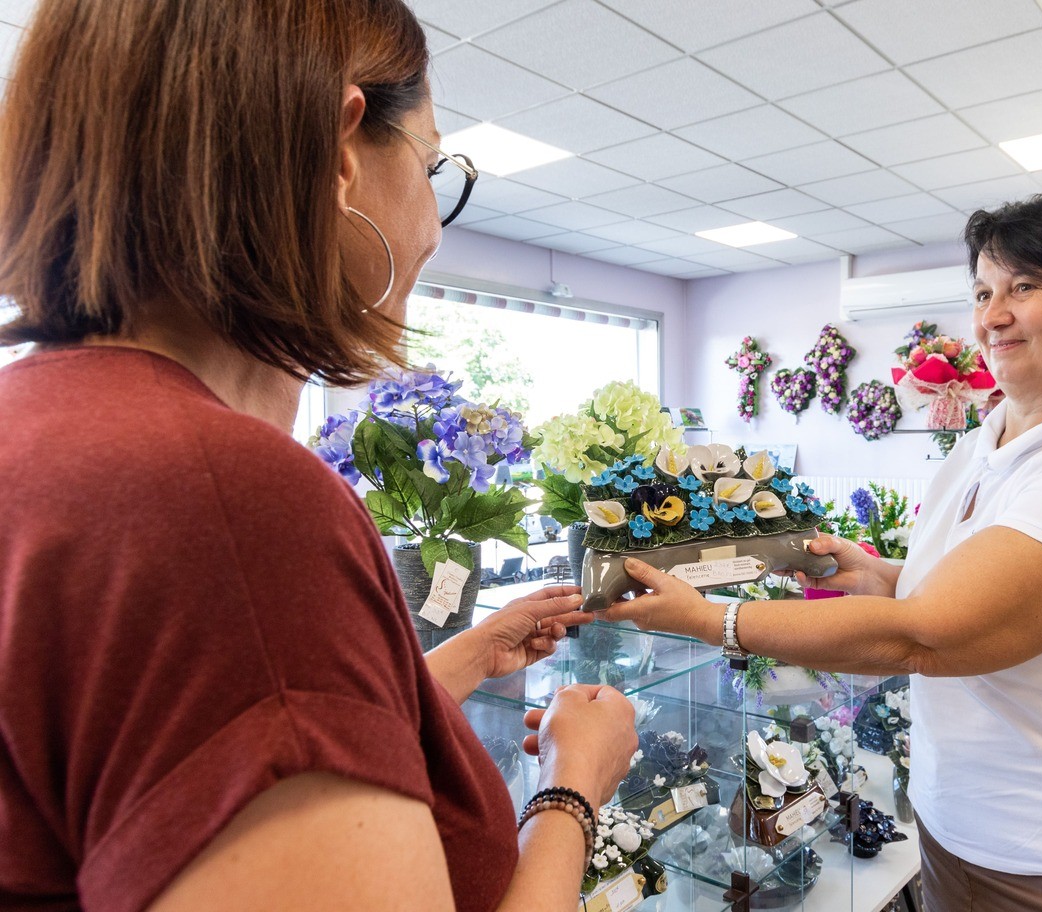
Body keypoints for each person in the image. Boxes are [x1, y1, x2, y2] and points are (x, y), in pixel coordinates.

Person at [0, 2, 636, 911]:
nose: (433, 225)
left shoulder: (48, 431)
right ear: (340, 158)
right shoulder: (225, 503)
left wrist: (449, 662)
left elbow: (236, 713)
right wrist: (573, 787)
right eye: (429, 165)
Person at [604, 194, 1042, 912]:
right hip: (959, 830)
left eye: (1025, 288)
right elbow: (957, 590)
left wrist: (714, 621)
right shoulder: (981, 444)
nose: (993, 315)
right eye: (984, 292)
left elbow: (927, 636)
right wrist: (880, 573)